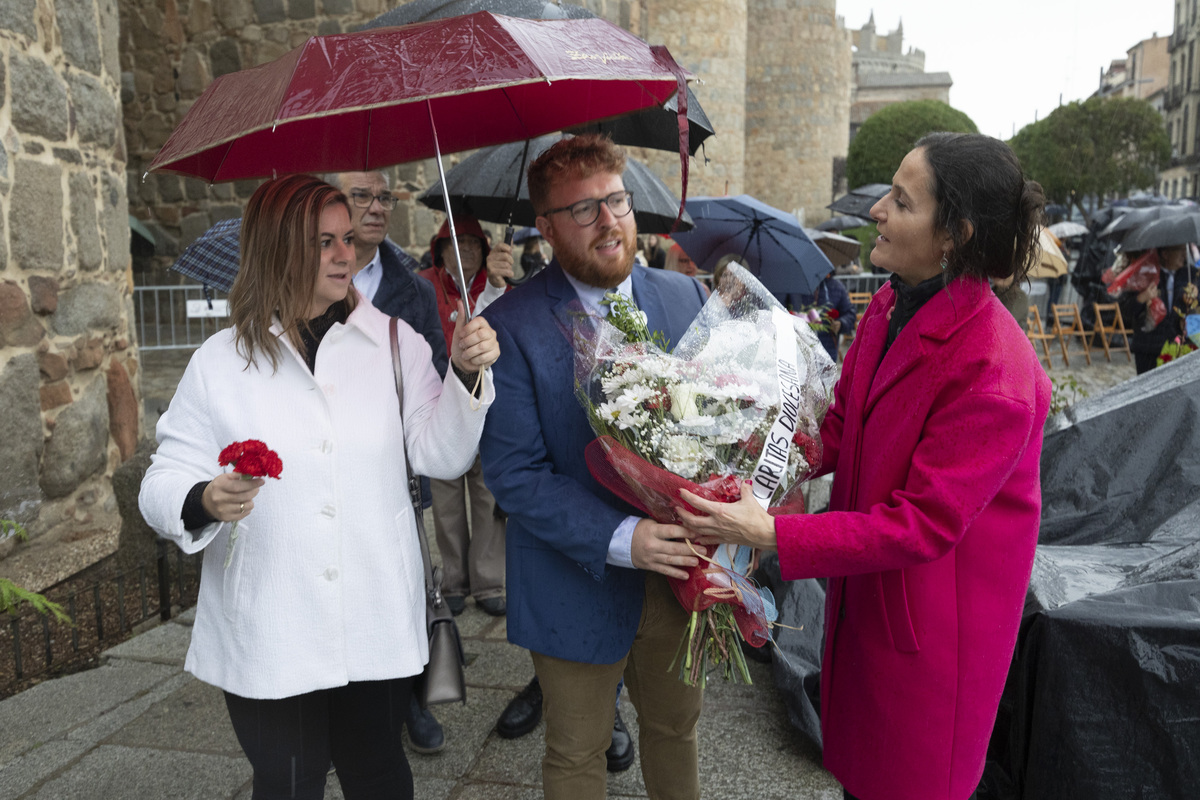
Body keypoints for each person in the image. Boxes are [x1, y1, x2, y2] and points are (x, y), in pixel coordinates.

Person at [677, 133, 1051, 800]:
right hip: (866, 604)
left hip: (932, 639)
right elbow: (843, 424)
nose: (876, 210)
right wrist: (750, 452)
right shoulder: (893, 300)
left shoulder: (995, 370)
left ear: (953, 236)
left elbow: (920, 527)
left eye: (901, 202)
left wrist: (768, 534)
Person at [139, 174, 499, 800]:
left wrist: (464, 376)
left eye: (347, 238)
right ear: (278, 249)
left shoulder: (393, 342)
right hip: (270, 619)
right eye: (323, 241)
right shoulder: (222, 361)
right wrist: (203, 498)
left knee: (379, 775)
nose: (345, 253)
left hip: (373, 607)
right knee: (287, 783)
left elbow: (440, 455)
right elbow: (162, 478)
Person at [479, 134, 707, 800]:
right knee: (577, 751)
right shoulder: (512, 324)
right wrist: (624, 539)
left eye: (616, 201)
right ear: (546, 228)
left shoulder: (685, 299)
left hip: (680, 579)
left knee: (676, 730)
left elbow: (723, 426)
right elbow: (514, 472)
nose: (608, 221)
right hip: (569, 576)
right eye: (583, 210)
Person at [324, 170, 449, 754]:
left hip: (398, 467)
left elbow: (437, 376)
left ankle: (412, 700)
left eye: (385, 198)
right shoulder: (300, 284)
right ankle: (341, 700)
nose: (376, 208)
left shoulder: (414, 289)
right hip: (328, 467)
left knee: (408, 588)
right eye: (361, 197)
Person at [418, 215, 511, 616]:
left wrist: (497, 286)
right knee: (446, 498)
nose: (466, 251)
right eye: (457, 244)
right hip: (438, 403)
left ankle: (490, 579)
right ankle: (453, 578)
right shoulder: (424, 284)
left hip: (487, 404)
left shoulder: (494, 286)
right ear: (441, 252)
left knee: (487, 495)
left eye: (474, 245)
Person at [1119, 243, 1200, 374]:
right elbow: (1126, 312)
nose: (1184, 254)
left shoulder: (1191, 275)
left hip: (1179, 347)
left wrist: (1196, 297)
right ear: (1165, 254)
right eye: (1179, 250)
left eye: (1184, 250)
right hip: (1148, 349)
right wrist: (1141, 298)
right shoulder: (1145, 274)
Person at [781, 272, 858, 363]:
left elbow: (850, 314)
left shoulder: (837, 287)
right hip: (799, 350)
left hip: (827, 350)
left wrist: (841, 323)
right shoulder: (793, 286)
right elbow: (781, 310)